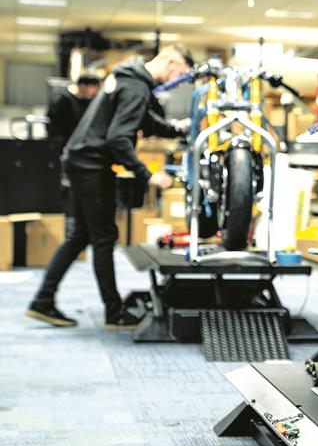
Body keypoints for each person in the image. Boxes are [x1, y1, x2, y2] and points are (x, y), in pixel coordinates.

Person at [25, 44, 193, 330]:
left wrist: (175, 129)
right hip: (92, 165)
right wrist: (147, 175)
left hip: (80, 159)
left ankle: (43, 300)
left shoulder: (127, 78)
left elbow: (141, 118)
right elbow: (118, 138)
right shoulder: (137, 87)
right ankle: (113, 313)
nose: (178, 80)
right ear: (170, 62)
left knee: (80, 235)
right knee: (104, 238)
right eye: (181, 73)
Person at [47, 70, 101, 145]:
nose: (96, 92)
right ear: (82, 86)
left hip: (81, 144)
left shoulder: (90, 102)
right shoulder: (62, 101)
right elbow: (55, 127)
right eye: (93, 87)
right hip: (64, 145)